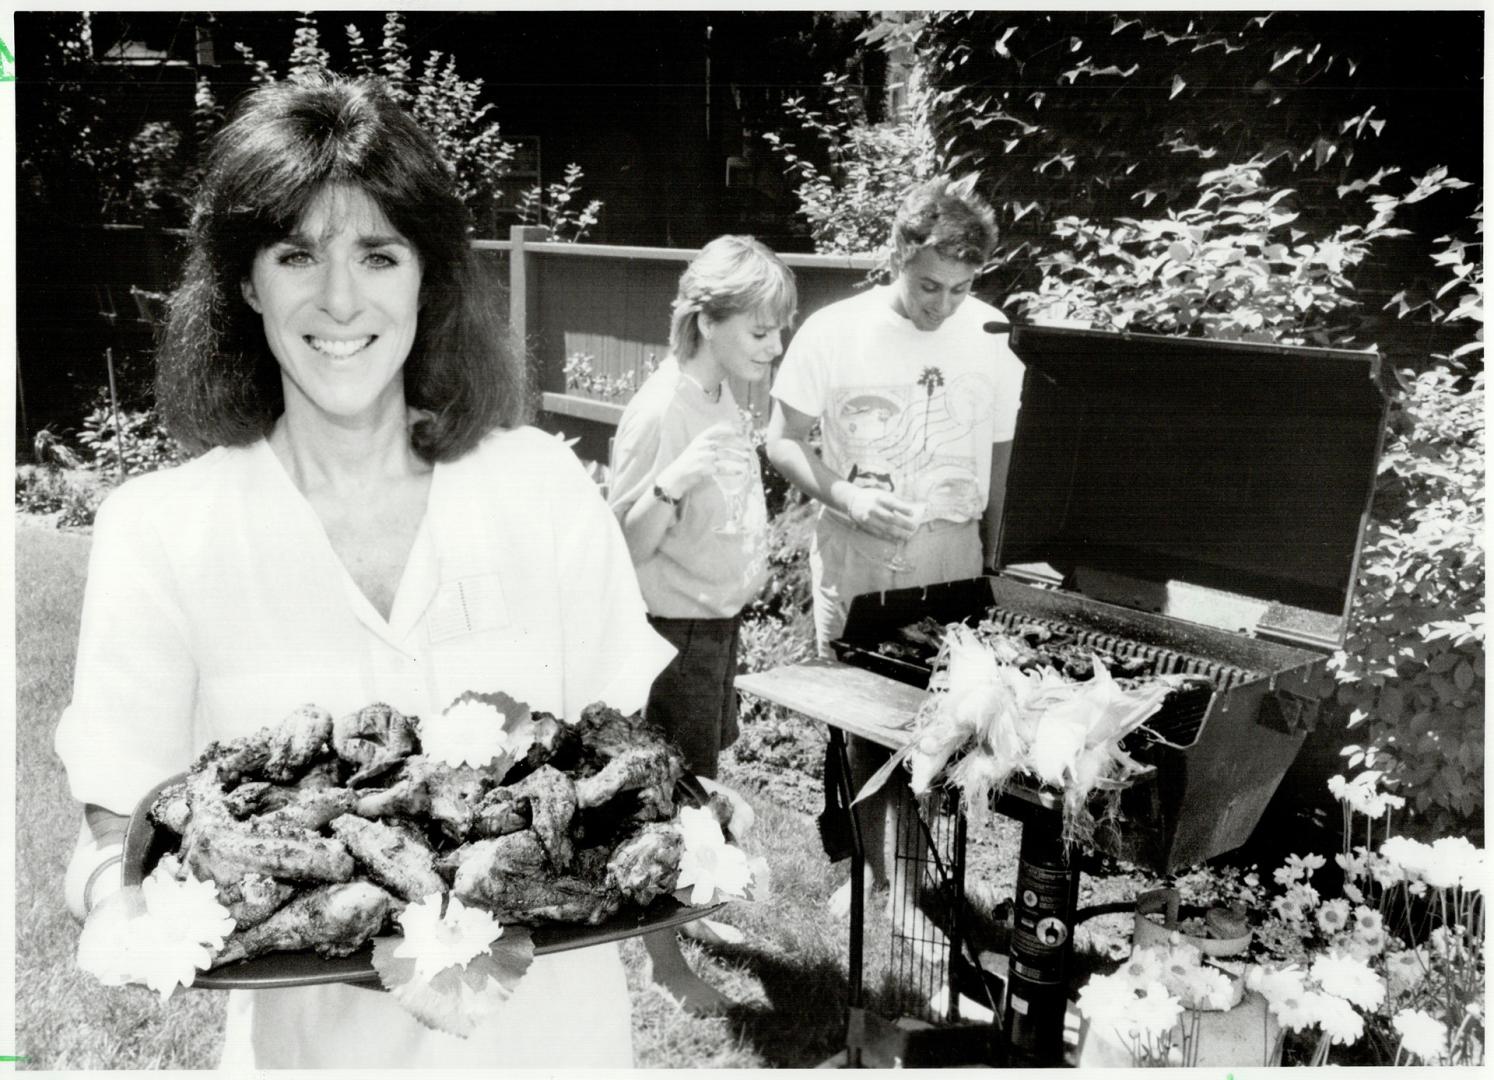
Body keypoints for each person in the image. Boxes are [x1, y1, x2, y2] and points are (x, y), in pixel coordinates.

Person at [54, 77, 675, 1070]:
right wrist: (119, 904)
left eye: (377, 253)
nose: (339, 300)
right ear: (247, 282)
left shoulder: (545, 491)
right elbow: (115, 830)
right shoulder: (162, 533)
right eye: (297, 253)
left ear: (426, 274)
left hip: (552, 1052)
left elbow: (626, 785)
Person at [764, 175, 1025, 917]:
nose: (941, 304)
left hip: (951, 556)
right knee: (862, 726)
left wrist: (997, 559)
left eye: (959, 287)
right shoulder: (833, 331)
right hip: (858, 554)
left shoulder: (992, 333)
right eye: (926, 285)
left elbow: (1002, 459)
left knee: (942, 727)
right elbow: (781, 441)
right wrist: (844, 494)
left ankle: (918, 875)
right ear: (895, 256)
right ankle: (879, 880)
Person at [608, 235, 797, 1013]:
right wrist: (672, 485)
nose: (776, 345)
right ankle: (663, 962)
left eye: (779, 329)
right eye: (760, 330)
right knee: (664, 800)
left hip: (716, 630)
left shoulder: (721, 395)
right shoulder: (661, 409)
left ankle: (693, 915)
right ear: (707, 321)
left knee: (698, 784)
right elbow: (620, 544)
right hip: (671, 636)